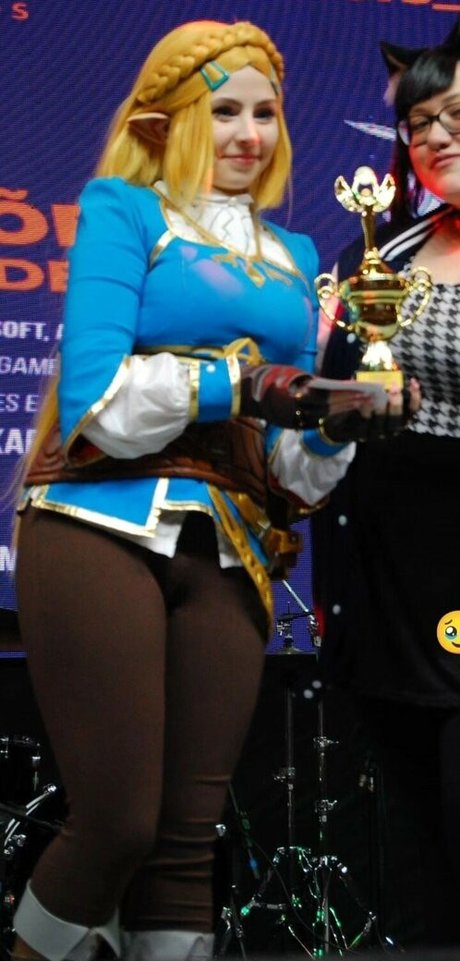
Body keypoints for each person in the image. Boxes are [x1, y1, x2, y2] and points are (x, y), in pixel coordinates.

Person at [11, 18, 406, 961]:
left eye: (267, 114)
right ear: (170, 120)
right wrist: (248, 382)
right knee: (115, 824)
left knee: (188, 845)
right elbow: (98, 401)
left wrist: (337, 422)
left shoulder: (298, 255)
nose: (249, 134)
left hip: (233, 546)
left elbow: (291, 471)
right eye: (224, 111)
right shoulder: (123, 210)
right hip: (98, 521)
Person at [313, 23, 460, 947]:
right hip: (389, 572)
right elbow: (329, 401)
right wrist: (351, 396)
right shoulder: (383, 254)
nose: (435, 137)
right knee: (414, 832)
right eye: (418, 124)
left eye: (455, 116)